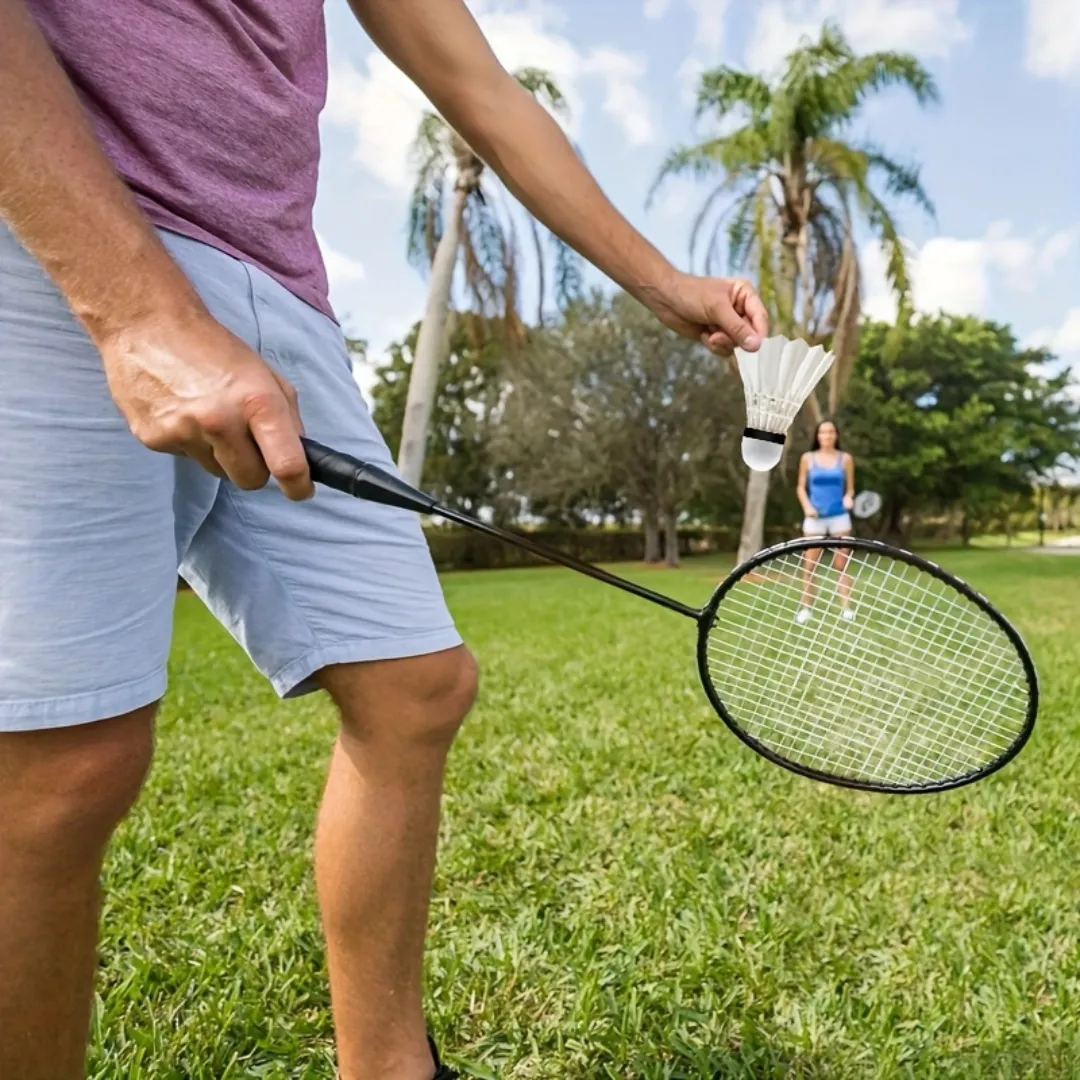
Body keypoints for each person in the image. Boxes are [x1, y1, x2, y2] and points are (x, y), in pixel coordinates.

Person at [0, 3, 770, 1078]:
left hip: (281, 289)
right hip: (62, 237)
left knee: (415, 688)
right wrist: (134, 312)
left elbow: (482, 88)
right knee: (59, 767)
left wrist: (662, 280)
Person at [794, 419, 855, 625]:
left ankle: (846, 609)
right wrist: (807, 507)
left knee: (841, 565)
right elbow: (800, 488)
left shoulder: (845, 459)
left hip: (839, 518)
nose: (827, 436)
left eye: (831, 432)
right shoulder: (807, 458)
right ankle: (806, 609)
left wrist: (848, 498)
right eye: (823, 432)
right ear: (817, 436)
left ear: (836, 435)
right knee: (810, 565)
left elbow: (850, 489)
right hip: (815, 520)